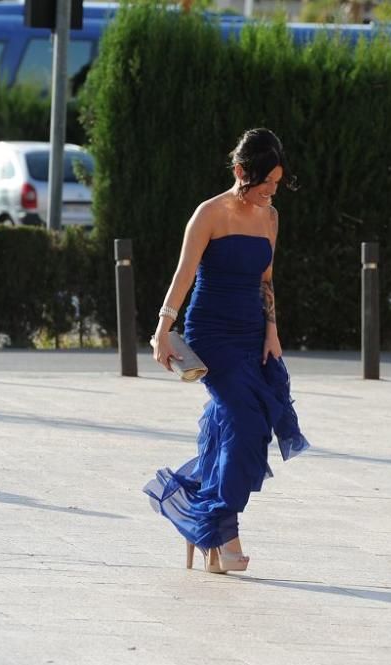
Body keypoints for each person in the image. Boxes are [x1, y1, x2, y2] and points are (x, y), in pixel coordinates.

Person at [143, 128, 310, 574]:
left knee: (248, 429)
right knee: (241, 419)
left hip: (252, 332)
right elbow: (184, 274)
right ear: (240, 172)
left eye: (277, 182)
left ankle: (205, 531)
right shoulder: (209, 214)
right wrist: (163, 327)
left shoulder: (270, 217)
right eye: (266, 182)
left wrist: (272, 330)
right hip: (211, 334)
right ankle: (226, 532)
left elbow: (266, 279)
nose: (272, 191)